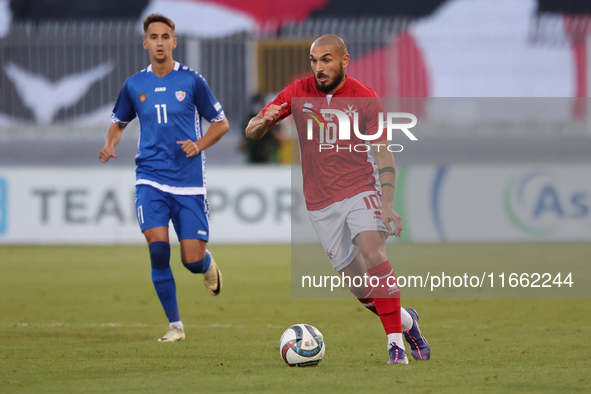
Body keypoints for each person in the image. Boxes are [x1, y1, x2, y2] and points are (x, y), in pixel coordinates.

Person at [245, 34, 430, 364]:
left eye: (326, 59)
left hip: (361, 188)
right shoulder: (298, 92)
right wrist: (261, 123)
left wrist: (387, 202)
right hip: (319, 202)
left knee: (374, 251)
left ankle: (395, 347)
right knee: (362, 291)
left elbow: (384, 155)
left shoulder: (365, 98)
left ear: (344, 61)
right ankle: (407, 322)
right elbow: (253, 130)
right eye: (314, 60)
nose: (318, 67)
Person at [99, 13, 228, 342]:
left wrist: (198, 145)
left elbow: (221, 123)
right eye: (153, 37)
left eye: (164, 36)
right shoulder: (134, 85)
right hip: (150, 178)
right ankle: (175, 326)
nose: (159, 42)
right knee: (158, 249)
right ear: (146, 43)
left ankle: (206, 264)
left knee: (190, 259)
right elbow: (118, 122)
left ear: (174, 41)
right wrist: (109, 144)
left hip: (188, 182)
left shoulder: (192, 81)